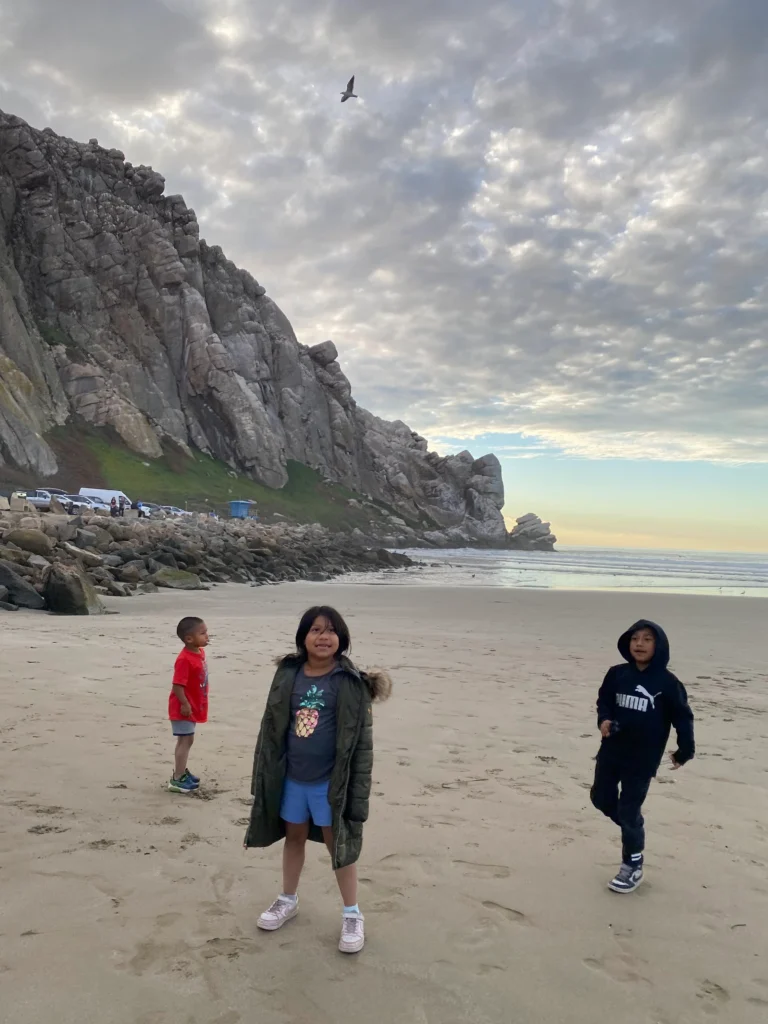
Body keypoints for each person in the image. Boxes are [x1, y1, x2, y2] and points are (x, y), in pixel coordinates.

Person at [244, 606, 391, 954]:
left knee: (337, 845)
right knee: (293, 837)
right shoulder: (288, 675)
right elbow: (270, 727)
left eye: (330, 630)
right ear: (303, 638)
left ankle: (352, 914)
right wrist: (262, 776)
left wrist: (358, 792)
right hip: (292, 778)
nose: (323, 637)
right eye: (315, 630)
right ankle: (287, 898)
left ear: (341, 639)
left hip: (331, 783)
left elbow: (362, 744)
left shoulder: (349, 682)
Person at [591, 619, 695, 893]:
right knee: (600, 799)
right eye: (635, 638)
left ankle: (632, 865)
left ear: (658, 645)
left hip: (642, 759)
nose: (639, 643)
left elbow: (683, 718)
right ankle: (633, 825)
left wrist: (685, 751)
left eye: (647, 639)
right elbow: (604, 702)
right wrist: (604, 720)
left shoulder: (668, 683)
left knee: (628, 809)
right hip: (611, 750)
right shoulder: (616, 674)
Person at [168, 617, 210, 794]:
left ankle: (181, 771)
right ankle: (177, 779)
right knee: (185, 741)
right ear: (189, 639)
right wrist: (185, 704)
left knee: (187, 739)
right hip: (183, 707)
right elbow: (177, 685)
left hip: (192, 704)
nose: (207, 636)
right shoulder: (185, 659)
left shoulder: (199, 653)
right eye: (203, 633)